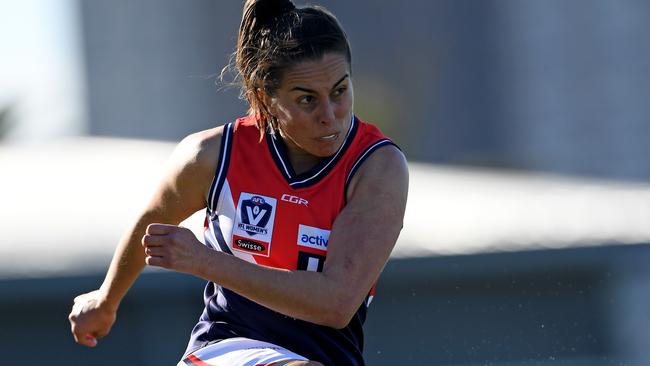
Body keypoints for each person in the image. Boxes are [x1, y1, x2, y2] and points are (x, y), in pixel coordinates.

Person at [68, 0, 408, 365]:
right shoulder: (211, 155)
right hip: (226, 348)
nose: (329, 116)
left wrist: (204, 261)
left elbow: (337, 304)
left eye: (339, 92)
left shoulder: (378, 167)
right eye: (306, 99)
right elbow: (152, 222)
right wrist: (106, 300)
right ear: (266, 99)